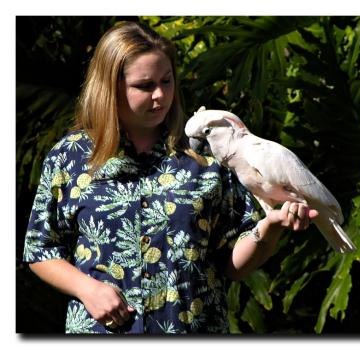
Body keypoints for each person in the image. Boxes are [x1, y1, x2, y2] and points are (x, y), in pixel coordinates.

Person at [22, 21, 318, 334]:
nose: (160, 95)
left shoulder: (207, 158)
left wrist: (269, 229)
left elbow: (232, 266)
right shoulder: (70, 156)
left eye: (167, 81)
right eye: (145, 85)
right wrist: (87, 289)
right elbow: (41, 251)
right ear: (110, 88)